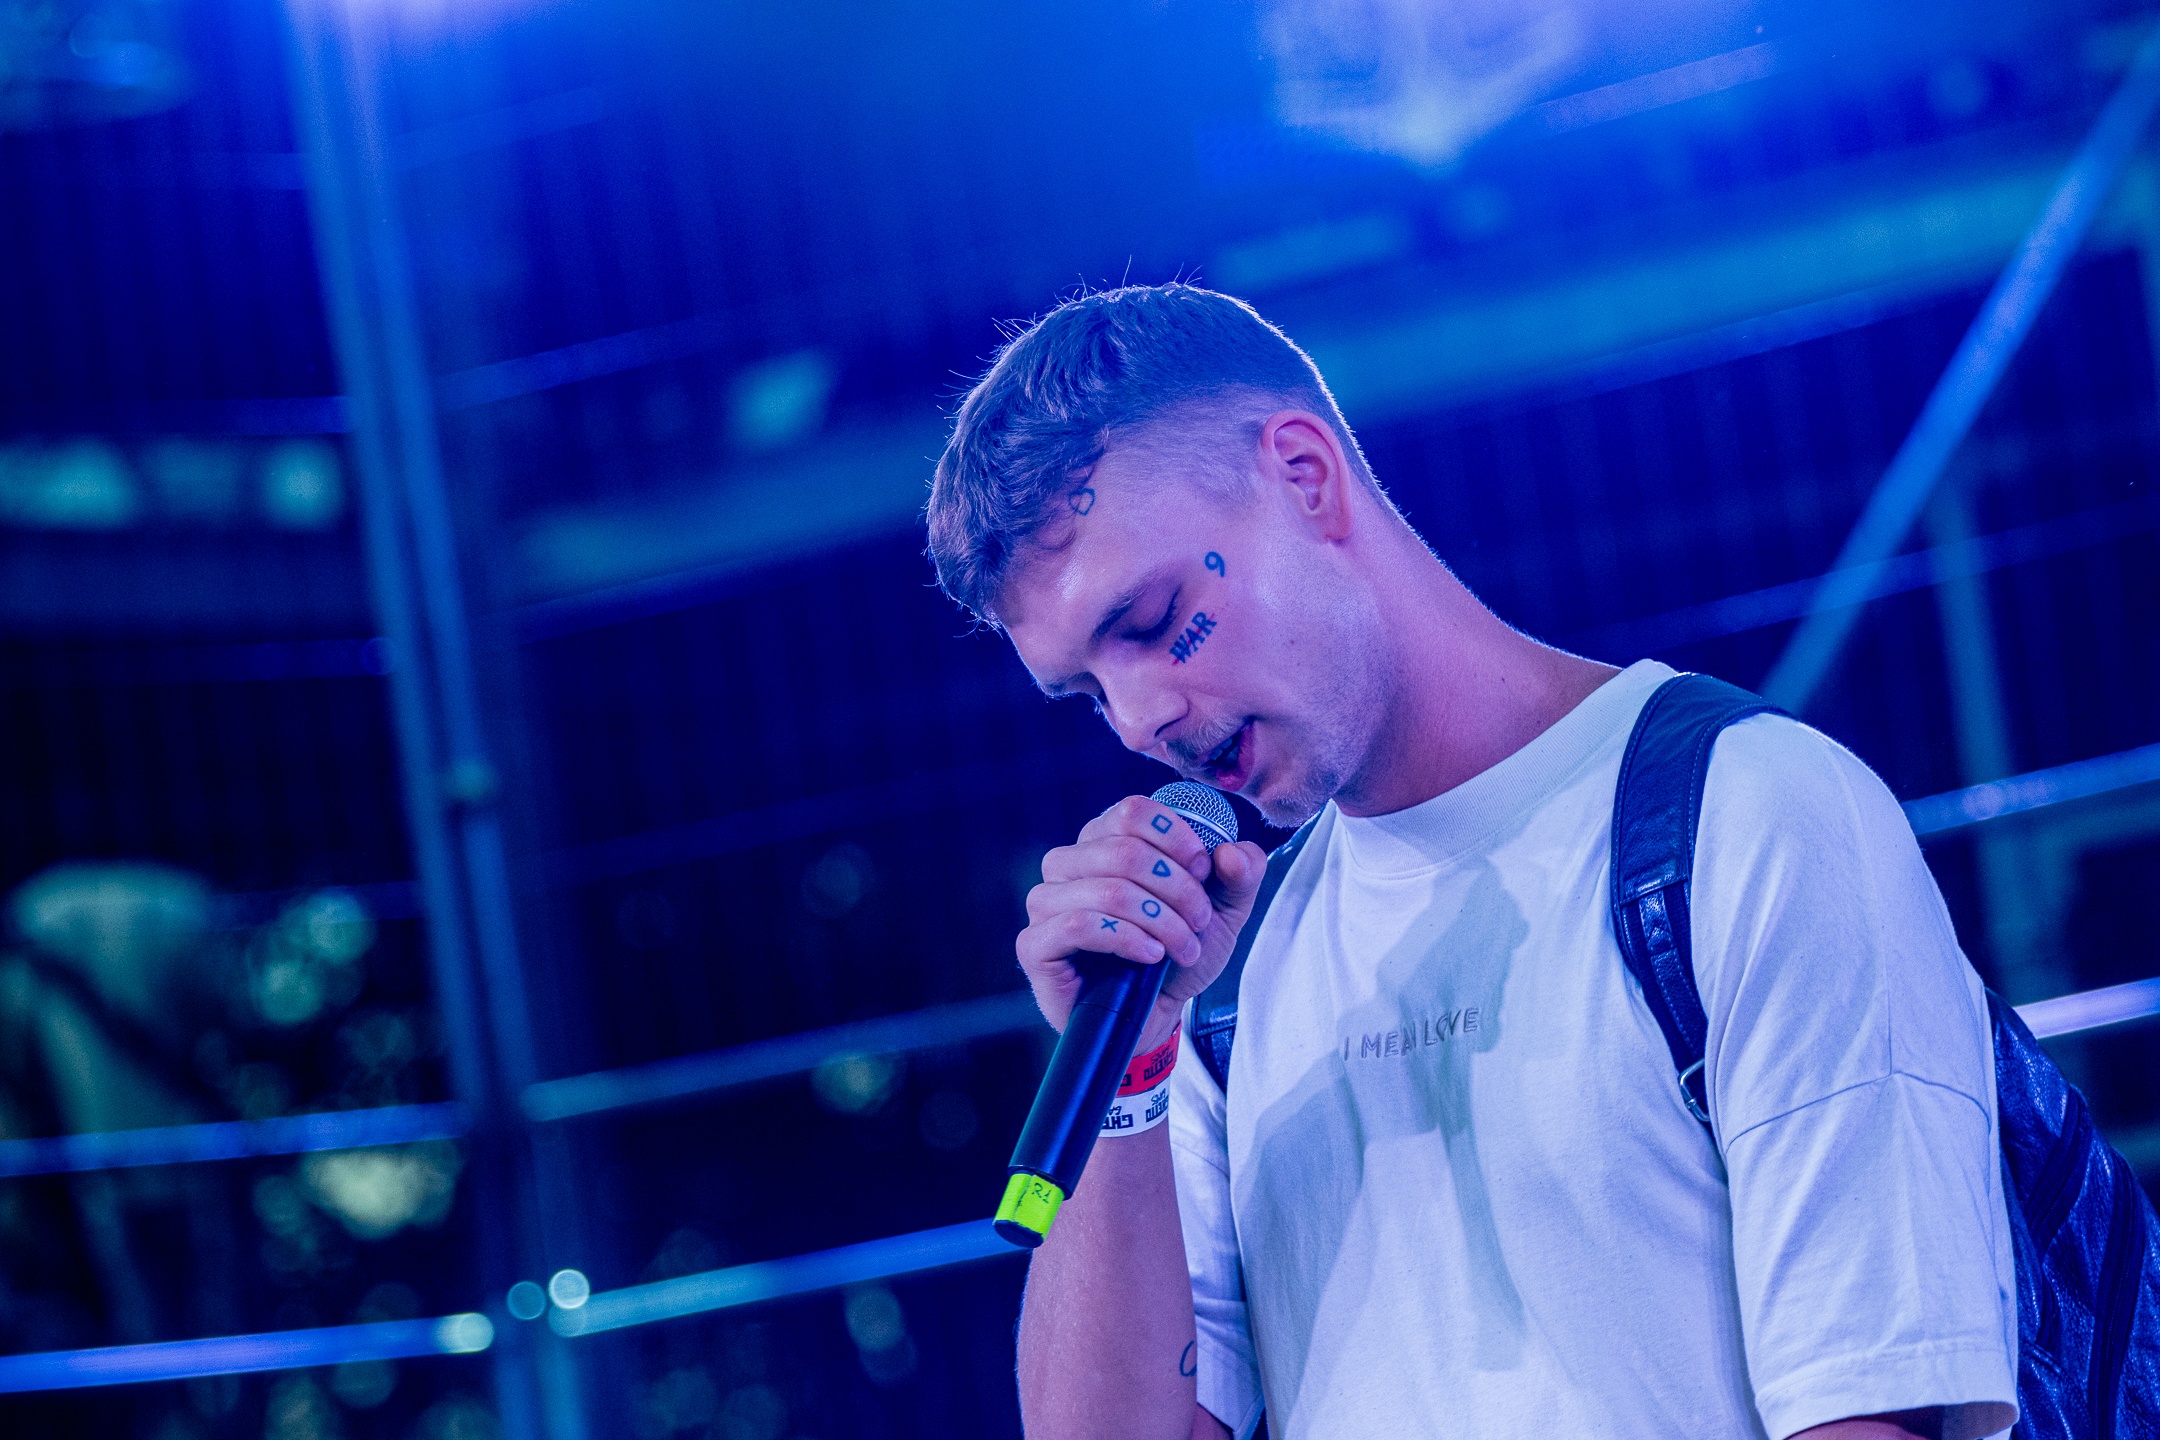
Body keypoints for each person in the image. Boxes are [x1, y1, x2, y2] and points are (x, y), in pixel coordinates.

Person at [924, 284, 2018, 1440]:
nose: (1140, 719)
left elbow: (1872, 1412)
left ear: (1305, 476)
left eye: (1151, 621)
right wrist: (1127, 1066)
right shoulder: (1221, 985)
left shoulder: (1741, 812)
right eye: (1088, 692)